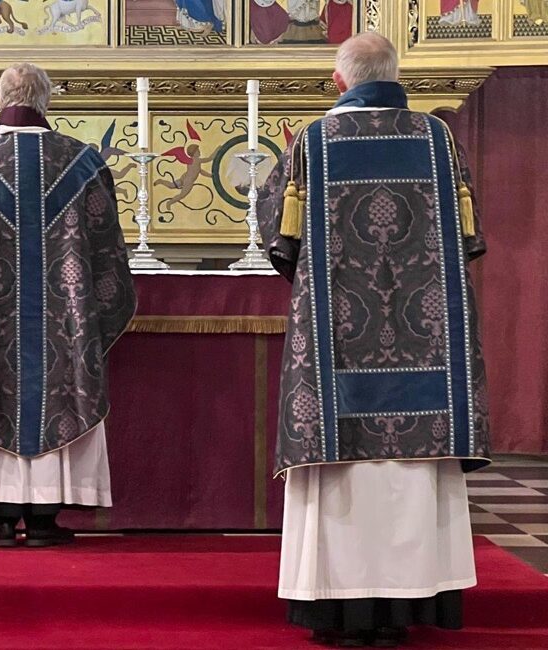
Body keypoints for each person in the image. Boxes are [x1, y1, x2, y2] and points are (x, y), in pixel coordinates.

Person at [259, 33, 490, 648]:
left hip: (338, 349)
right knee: (410, 478)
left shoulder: (313, 143)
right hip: (427, 351)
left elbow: (280, 241)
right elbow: (470, 239)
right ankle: (403, 610)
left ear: (339, 81)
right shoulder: (438, 141)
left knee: (346, 475)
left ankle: (341, 613)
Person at [0, 63, 136, 549]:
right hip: (63, 323)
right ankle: (43, 518)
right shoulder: (83, 164)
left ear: (0, 100)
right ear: (47, 101)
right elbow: (107, 259)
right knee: (58, 385)